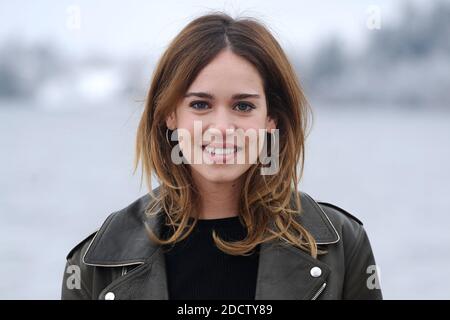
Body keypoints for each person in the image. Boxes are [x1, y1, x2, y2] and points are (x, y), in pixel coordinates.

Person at [61, 12, 382, 300]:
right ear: (170, 114)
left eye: (243, 106)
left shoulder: (343, 246)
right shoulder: (95, 261)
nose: (222, 128)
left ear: (272, 118)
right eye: (200, 105)